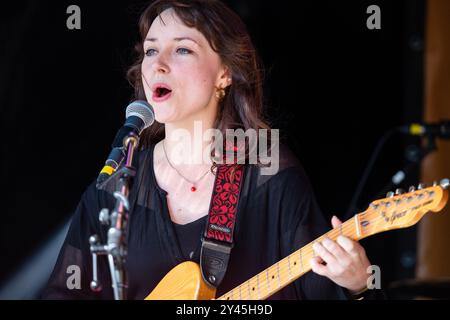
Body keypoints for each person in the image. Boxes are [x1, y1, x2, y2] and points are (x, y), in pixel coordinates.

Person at [42, 0, 379, 300]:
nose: (157, 65)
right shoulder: (117, 184)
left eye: (182, 50)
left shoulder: (267, 165)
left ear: (225, 73)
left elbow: (318, 289)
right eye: (150, 50)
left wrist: (357, 285)